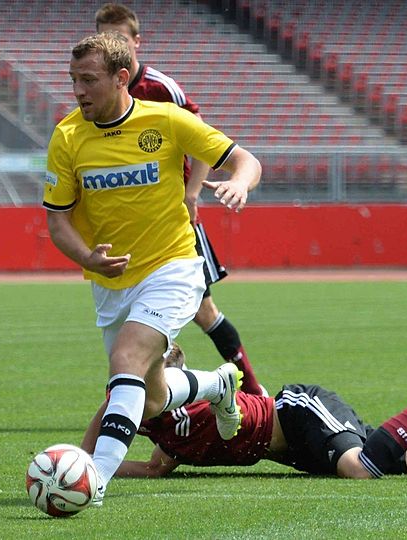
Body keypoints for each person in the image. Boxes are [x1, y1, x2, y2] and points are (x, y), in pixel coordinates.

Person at [43, 32, 262, 505]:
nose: (78, 91)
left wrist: (240, 183)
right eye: (73, 80)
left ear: (121, 78)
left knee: (125, 358)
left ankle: (95, 480)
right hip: (111, 284)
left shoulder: (165, 119)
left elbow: (245, 160)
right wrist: (87, 257)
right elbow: (57, 221)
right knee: (153, 398)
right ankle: (219, 384)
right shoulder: (67, 137)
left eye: (88, 80)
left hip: (173, 268)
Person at [83, 344, 407, 480]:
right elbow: (154, 466)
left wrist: (159, 362)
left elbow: (167, 372)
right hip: (296, 452)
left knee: (362, 469)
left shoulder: (182, 389)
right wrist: (85, 466)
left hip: (297, 411)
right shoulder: (155, 430)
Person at [94, 3, 264, 395]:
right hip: (130, 228)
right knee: (156, 318)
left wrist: (191, 194)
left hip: (171, 222)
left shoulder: (160, 88)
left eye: (119, 38)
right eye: (105, 39)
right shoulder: (99, 94)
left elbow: (203, 140)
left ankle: (251, 390)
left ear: (136, 42)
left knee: (204, 311)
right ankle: (175, 379)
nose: (112, 46)